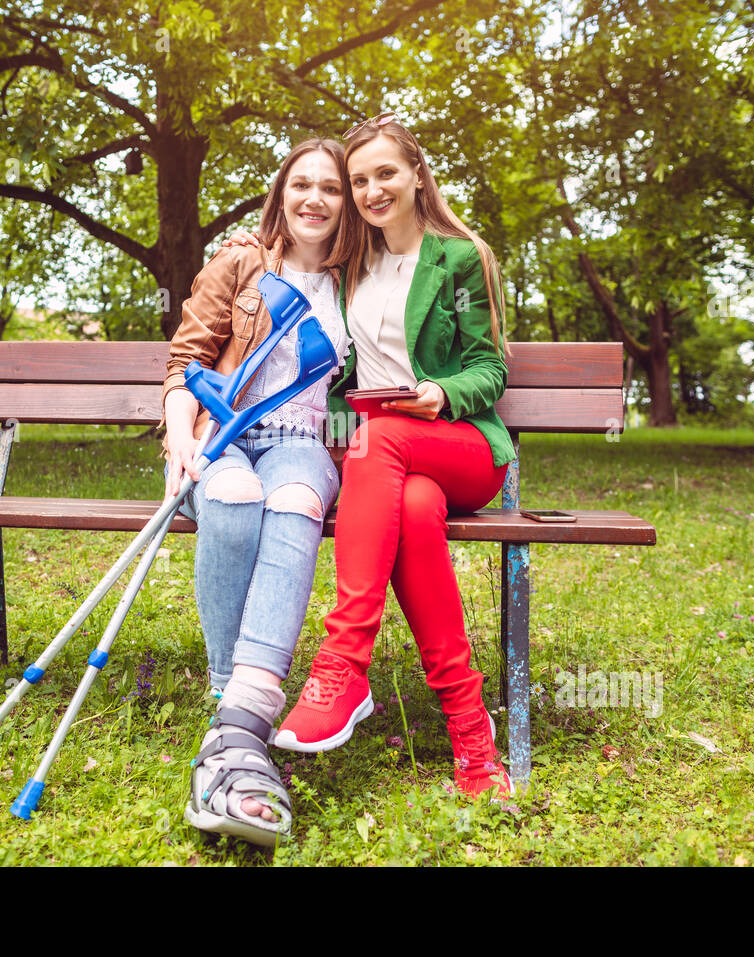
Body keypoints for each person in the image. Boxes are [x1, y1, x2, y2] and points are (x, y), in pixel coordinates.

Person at [268, 114, 517, 797]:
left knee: (379, 447)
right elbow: (346, 385)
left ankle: (343, 663)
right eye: (360, 179)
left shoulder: (461, 258)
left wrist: (441, 390)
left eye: (386, 173)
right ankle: (471, 735)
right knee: (407, 504)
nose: (373, 189)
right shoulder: (355, 265)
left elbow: (489, 368)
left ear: (415, 174)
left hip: (460, 446)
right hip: (387, 460)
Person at [162, 139, 351, 846]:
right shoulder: (242, 259)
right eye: (301, 184)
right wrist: (182, 442)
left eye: (330, 187)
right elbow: (186, 359)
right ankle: (225, 687)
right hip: (220, 432)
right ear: (281, 193)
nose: (314, 198)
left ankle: (247, 705)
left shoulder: (356, 279)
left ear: (346, 201)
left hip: (302, 443)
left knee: (298, 499)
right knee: (236, 497)